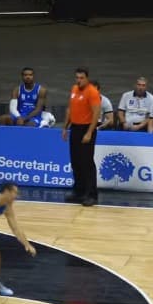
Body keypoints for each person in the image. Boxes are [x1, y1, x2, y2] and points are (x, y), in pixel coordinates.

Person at [63, 68, 102, 206]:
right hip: (75, 128)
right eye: (77, 78)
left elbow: (96, 114)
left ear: (87, 78)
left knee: (87, 163)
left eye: (81, 78)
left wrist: (89, 132)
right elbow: (70, 109)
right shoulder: (74, 89)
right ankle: (78, 192)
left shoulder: (92, 92)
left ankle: (91, 195)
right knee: (76, 162)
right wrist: (65, 127)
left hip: (87, 128)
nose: (79, 80)